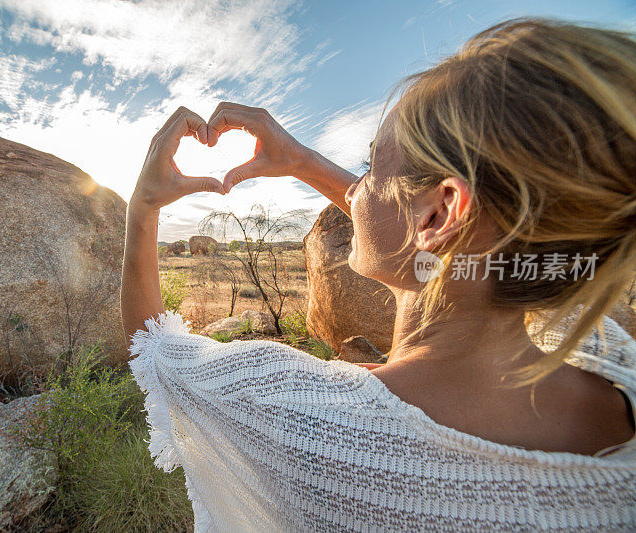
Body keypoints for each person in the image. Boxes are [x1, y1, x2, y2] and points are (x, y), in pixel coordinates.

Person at [121, 18, 636, 531]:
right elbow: (427, 239)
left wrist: (142, 205)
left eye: (370, 167)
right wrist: (299, 159)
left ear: (440, 214)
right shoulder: (601, 352)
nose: (357, 188)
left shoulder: (310, 422)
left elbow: (156, 349)